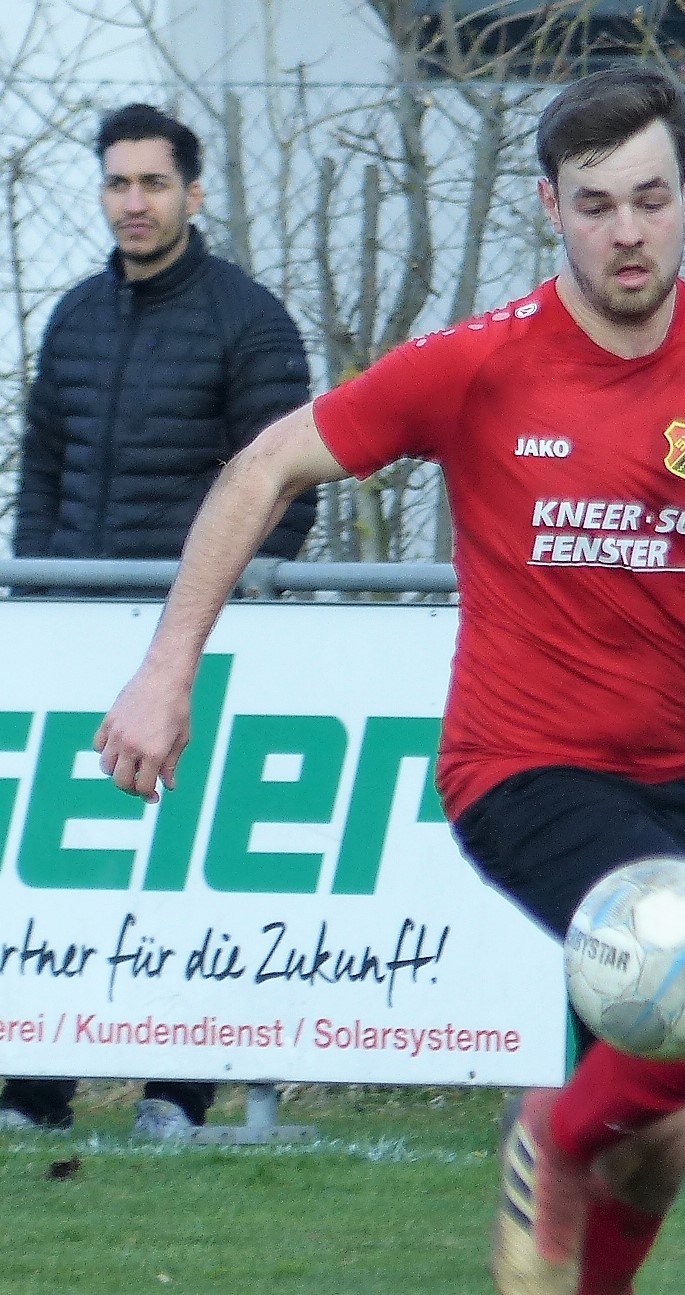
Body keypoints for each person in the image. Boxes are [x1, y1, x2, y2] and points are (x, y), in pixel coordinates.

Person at [92, 67, 685, 1293]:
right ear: (549, 206)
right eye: (594, 204)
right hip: (521, 767)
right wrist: (166, 668)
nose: (626, 230)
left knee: (660, 1138)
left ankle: (577, 1194)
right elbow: (262, 464)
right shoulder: (480, 363)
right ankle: (549, 1134)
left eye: (650, 199)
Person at [0, 102, 315, 1141]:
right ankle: (34, 1088)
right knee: (63, 866)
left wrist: (216, 622)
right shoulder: (73, 317)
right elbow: (42, 475)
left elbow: (288, 490)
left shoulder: (251, 320)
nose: (133, 201)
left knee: (186, 871)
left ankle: (175, 1093)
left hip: (187, 647)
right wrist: (36, 602)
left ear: (193, 191)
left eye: (152, 182)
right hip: (70, 634)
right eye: (117, 181)